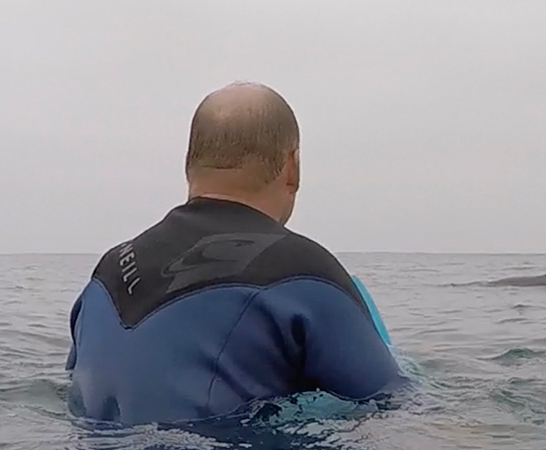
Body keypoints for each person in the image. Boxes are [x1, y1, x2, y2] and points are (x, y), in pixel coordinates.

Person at [64, 82, 406, 426]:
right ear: (292, 167)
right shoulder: (305, 273)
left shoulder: (106, 274)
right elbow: (395, 409)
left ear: (190, 163)